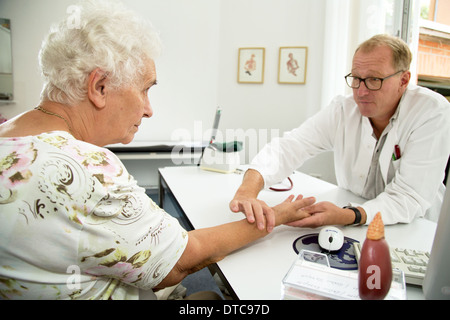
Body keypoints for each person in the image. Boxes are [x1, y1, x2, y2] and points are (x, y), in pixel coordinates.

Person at [0, 0, 315, 300]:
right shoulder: (87, 169)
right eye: (145, 89)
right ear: (99, 87)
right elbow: (180, 263)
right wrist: (279, 214)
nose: (149, 110)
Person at [230, 34, 450, 232]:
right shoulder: (343, 110)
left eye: (374, 80)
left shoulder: (431, 113)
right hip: (352, 220)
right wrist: (248, 189)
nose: (361, 91)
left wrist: (348, 215)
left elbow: (409, 196)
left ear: (403, 80)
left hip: (412, 228)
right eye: (356, 78)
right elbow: (291, 146)